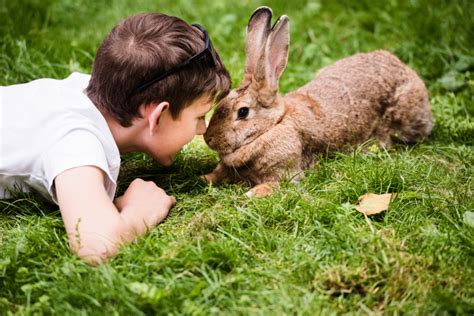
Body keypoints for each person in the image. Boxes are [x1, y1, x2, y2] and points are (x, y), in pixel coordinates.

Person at [0, 12, 231, 264]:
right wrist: (140, 211)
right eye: (199, 116)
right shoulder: (75, 142)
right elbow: (96, 246)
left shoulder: (83, 92)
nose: (202, 129)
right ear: (157, 115)